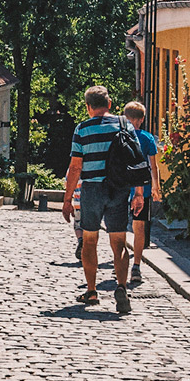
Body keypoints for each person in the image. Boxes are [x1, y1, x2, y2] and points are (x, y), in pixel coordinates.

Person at [62, 85, 144, 314]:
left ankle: (91, 291)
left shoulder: (82, 129)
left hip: (92, 189)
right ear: (109, 104)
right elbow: (136, 160)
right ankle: (121, 287)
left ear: (88, 107)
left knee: (89, 240)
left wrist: (68, 199)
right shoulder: (124, 124)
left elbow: (75, 167)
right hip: (119, 188)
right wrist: (138, 193)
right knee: (119, 242)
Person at [122, 101, 160, 285]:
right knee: (139, 228)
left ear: (125, 118)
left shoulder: (119, 137)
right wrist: (156, 187)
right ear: (142, 119)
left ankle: (120, 261)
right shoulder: (147, 138)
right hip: (143, 189)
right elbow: (153, 166)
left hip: (122, 188)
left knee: (120, 228)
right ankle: (136, 265)